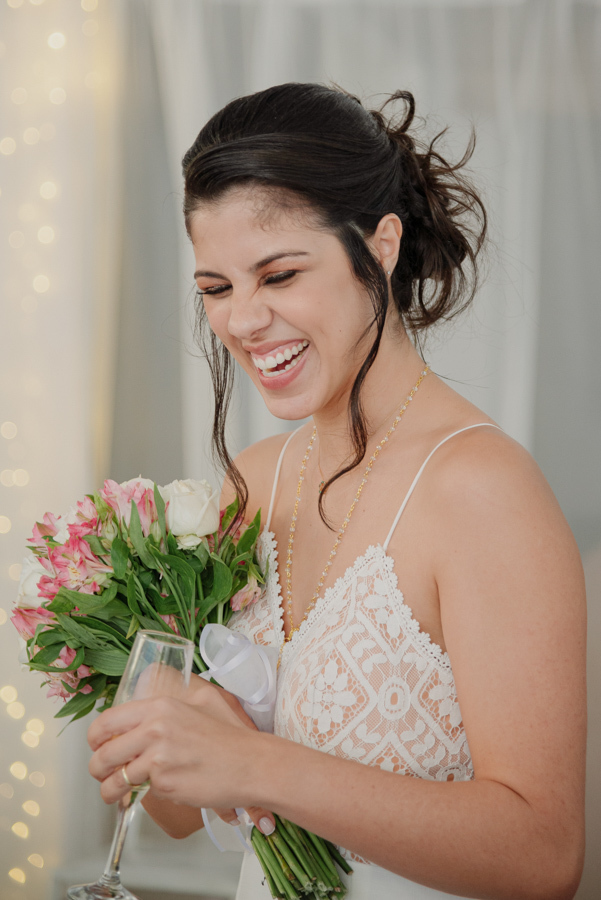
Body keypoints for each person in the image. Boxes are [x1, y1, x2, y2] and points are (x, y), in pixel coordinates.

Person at [87, 83, 586, 899]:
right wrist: (154, 739)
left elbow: (543, 858)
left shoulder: (480, 490)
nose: (243, 320)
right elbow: (181, 815)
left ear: (379, 244)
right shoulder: (251, 481)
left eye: (278, 274)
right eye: (216, 288)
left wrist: (258, 762)